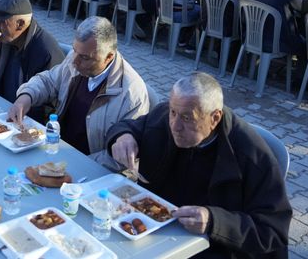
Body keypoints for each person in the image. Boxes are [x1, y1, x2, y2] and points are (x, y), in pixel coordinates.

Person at [107, 73, 291, 258]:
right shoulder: (165, 116)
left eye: (187, 118)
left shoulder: (251, 156)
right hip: (151, 230)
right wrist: (123, 137)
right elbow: (126, 126)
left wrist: (214, 222)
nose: (175, 126)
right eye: (173, 113)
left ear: (215, 118)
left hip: (213, 247)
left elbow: (273, 231)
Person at [8, 17, 151, 166]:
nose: (74, 61)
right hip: (56, 150)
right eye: (74, 50)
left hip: (91, 167)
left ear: (109, 57)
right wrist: (25, 97)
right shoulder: (76, 58)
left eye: (84, 58)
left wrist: (78, 163)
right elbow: (49, 81)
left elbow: (120, 157)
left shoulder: (132, 94)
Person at [0, 0, 64, 105]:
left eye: (2, 23)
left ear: (20, 24)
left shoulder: (45, 52)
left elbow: (49, 100)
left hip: (23, 112)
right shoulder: (4, 39)